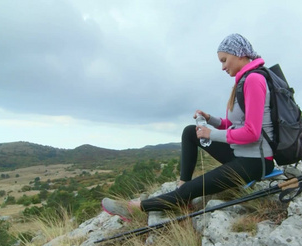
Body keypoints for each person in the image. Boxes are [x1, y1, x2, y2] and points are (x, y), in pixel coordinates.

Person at [102, 33, 275, 221]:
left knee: (192, 189)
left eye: (224, 60)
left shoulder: (253, 80)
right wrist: (210, 119)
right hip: (241, 153)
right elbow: (234, 125)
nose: (223, 67)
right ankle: (182, 188)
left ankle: (135, 209)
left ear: (240, 54)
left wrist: (212, 134)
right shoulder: (243, 80)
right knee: (189, 132)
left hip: (255, 162)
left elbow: (252, 132)